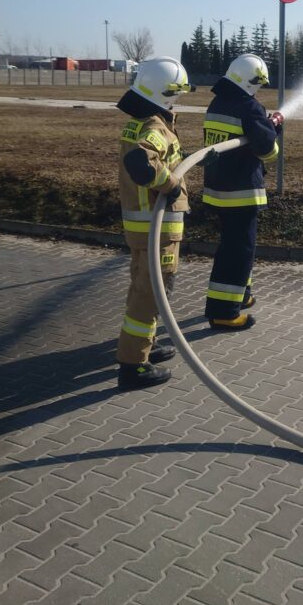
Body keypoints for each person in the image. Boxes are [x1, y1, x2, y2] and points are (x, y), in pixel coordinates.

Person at [115, 56, 193, 390]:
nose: (178, 100)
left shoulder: (139, 122)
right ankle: (133, 366)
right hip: (156, 231)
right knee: (149, 297)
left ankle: (145, 346)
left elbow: (151, 157)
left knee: (143, 290)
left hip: (143, 229)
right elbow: (141, 163)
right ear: (165, 92)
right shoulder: (155, 128)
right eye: (176, 94)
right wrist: (171, 185)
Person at [202, 53, 282, 329]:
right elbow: (267, 151)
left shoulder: (217, 103)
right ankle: (224, 311)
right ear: (251, 82)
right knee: (238, 252)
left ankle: (241, 295)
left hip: (218, 189)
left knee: (235, 246)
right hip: (241, 193)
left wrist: (265, 126)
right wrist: (274, 128)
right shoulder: (249, 107)